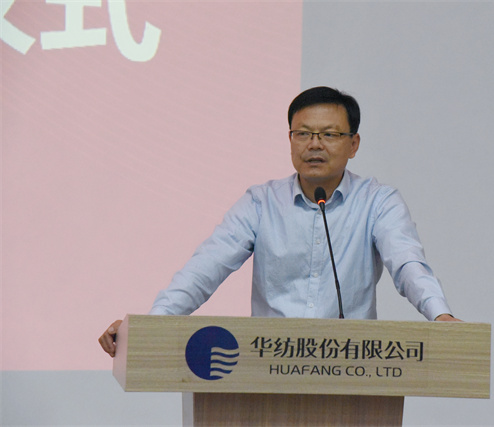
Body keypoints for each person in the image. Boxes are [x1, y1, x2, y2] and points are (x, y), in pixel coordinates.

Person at [99, 86, 460, 357]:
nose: (314, 145)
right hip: (269, 364)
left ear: (353, 144)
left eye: (329, 134)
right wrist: (153, 325)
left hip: (350, 365)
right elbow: (205, 268)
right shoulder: (261, 203)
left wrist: (440, 316)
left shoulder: (378, 202)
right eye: (302, 134)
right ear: (290, 139)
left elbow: (408, 264)